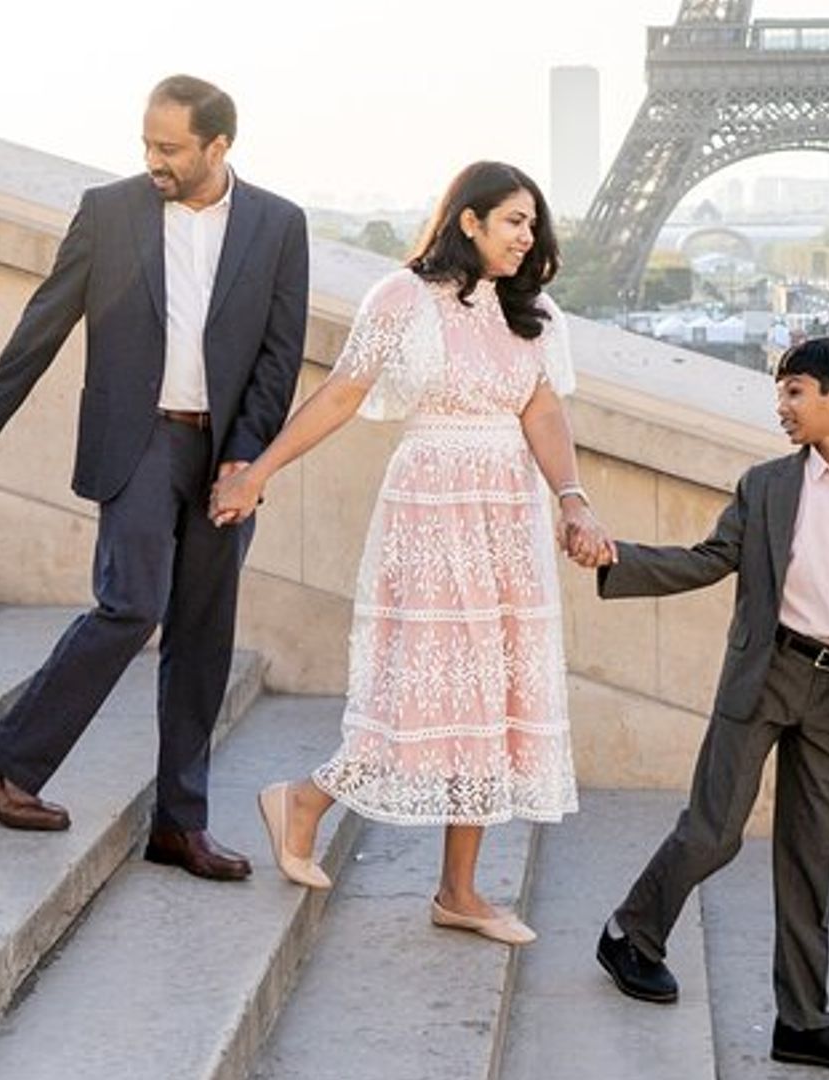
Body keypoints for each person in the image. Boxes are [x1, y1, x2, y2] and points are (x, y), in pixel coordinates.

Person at [0, 76, 308, 882]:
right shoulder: (110, 211)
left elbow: (279, 353)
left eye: (171, 149)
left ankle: (179, 824)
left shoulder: (278, 225)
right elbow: (39, 331)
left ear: (217, 147)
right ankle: (4, 762)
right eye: (147, 145)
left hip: (224, 454)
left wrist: (248, 457)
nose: (153, 160)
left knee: (203, 635)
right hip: (140, 443)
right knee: (131, 605)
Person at [209, 161, 606, 945]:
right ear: (468, 220)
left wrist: (572, 498)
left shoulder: (535, 314)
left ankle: (458, 890)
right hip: (431, 511)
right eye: (513, 222)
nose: (528, 238)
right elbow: (342, 395)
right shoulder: (400, 300)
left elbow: (543, 410)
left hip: (507, 518)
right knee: (419, 692)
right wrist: (258, 472)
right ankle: (307, 800)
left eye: (534, 225)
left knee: (492, 700)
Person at [590, 337, 829, 1077]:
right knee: (714, 831)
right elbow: (710, 559)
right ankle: (633, 932)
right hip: (766, 670)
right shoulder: (768, 486)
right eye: (780, 394)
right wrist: (616, 560)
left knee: (814, 856)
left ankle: (804, 1022)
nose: (780, 408)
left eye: (794, 393)